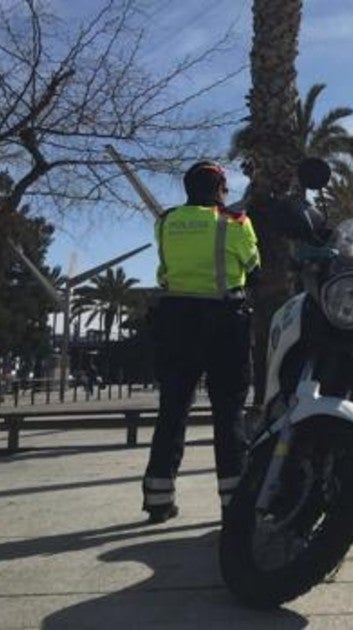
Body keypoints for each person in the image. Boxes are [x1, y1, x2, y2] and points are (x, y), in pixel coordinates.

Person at [142, 160, 259, 523]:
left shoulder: (166, 222)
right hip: (224, 321)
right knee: (229, 412)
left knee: (173, 410)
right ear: (221, 187)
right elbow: (253, 265)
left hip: (176, 321)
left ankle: (158, 498)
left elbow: (163, 267)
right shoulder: (235, 223)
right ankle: (234, 501)